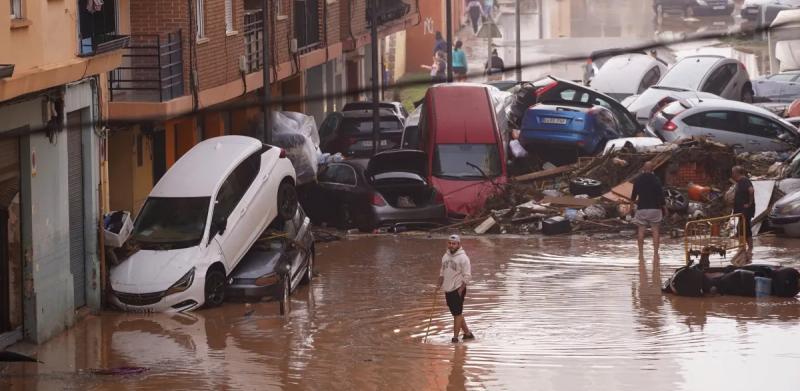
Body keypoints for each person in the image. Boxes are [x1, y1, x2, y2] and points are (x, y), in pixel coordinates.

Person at [437, 235, 474, 343]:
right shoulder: (445, 256)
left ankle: (455, 338)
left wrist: (461, 289)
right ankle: (467, 334)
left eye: (454, 243)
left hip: (458, 288)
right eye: (450, 243)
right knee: (456, 313)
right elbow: (442, 272)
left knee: (457, 314)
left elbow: (468, 276)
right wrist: (438, 284)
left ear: (458, 244)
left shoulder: (463, 258)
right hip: (447, 288)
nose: (451, 245)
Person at [631, 161, 667, 262]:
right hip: (655, 209)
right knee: (655, 231)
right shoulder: (656, 179)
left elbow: (633, 196)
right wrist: (665, 208)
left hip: (641, 208)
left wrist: (631, 208)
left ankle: (641, 254)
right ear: (652, 169)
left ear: (643, 167)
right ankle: (655, 253)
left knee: (641, 231)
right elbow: (660, 195)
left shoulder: (638, 180)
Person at [732, 165, 755, 257]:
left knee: (743, 228)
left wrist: (749, 203)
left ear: (737, 173)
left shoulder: (744, 180)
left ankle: (746, 248)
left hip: (746, 210)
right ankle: (745, 248)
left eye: (733, 172)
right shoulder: (739, 182)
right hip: (741, 210)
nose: (732, 174)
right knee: (743, 228)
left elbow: (751, 191)